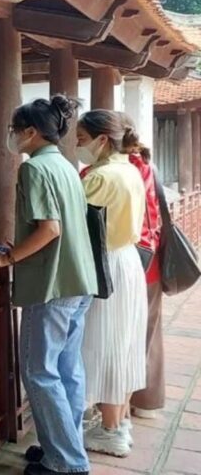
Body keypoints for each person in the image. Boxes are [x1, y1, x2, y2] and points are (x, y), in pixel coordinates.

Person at [0, 96, 96, 475]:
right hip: (79, 279)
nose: (12, 136)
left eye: (15, 130)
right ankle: (64, 448)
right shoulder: (66, 165)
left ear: (30, 132)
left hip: (51, 285)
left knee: (40, 372)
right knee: (67, 370)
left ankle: (67, 462)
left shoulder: (34, 168)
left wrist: (7, 258)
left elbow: (50, 229)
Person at [76, 110, 148, 458]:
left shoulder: (100, 177)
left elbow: (74, 225)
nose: (78, 145)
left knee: (103, 344)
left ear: (102, 139)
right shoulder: (130, 170)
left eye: (81, 139)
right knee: (123, 343)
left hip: (105, 264)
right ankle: (118, 423)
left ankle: (110, 430)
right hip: (127, 260)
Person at [123, 122, 165, 420]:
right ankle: (147, 400)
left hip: (131, 260)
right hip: (152, 259)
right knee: (149, 332)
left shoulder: (122, 170)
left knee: (124, 333)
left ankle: (119, 402)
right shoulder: (148, 166)